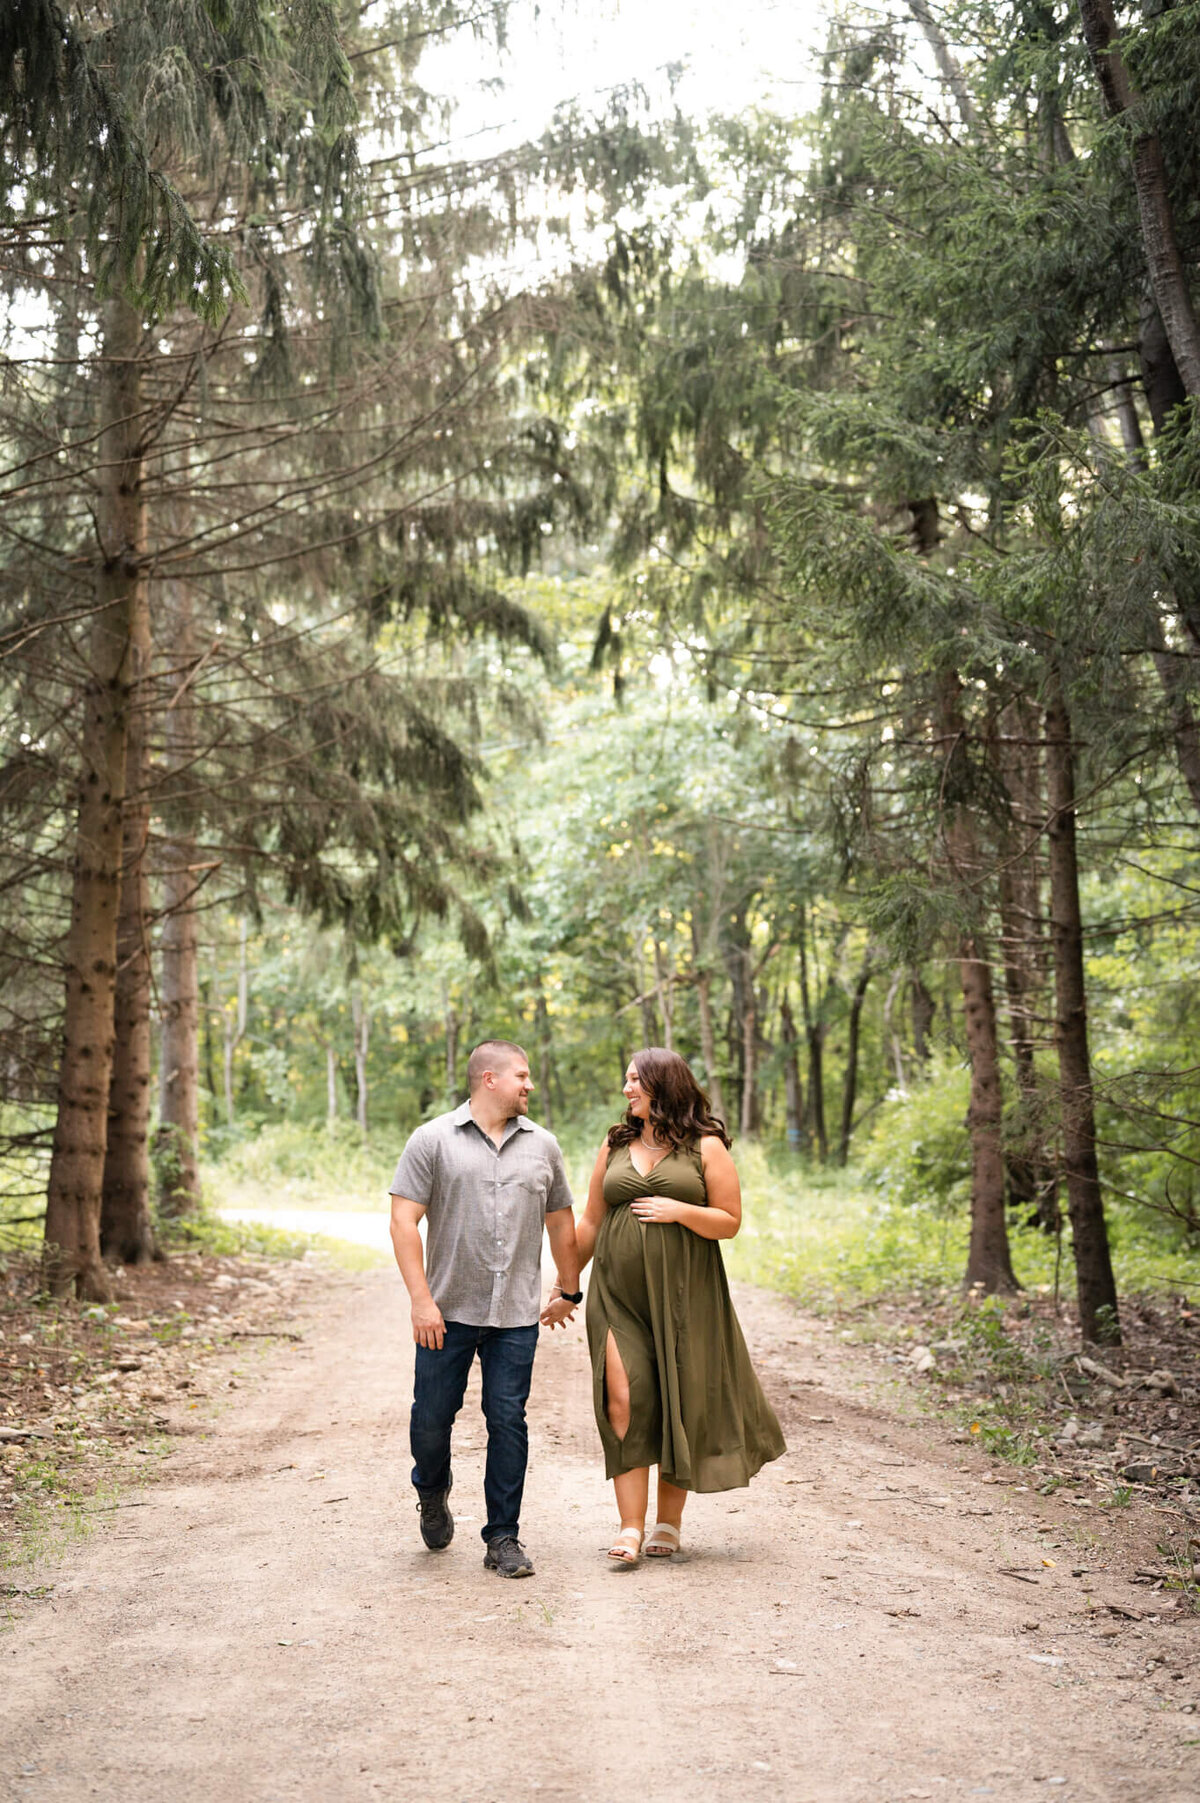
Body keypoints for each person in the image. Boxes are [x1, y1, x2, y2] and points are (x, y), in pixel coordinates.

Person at [561, 1047, 785, 1566]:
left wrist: (680, 1210)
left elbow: (729, 1220)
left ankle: (668, 1522)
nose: (626, 1090)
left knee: (676, 1399)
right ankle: (630, 1527)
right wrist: (566, 1286)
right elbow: (591, 1222)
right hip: (617, 1295)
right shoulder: (615, 1144)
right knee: (623, 1396)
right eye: (625, 1080)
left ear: (664, 1084)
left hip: (688, 1296)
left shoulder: (704, 1146)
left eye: (635, 1079)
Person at [389, 1039, 580, 1579]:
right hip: (445, 1313)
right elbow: (404, 1222)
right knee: (430, 1420)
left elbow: (561, 1222)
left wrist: (569, 1287)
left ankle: (503, 1537)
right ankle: (431, 1489)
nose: (530, 1085)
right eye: (521, 1075)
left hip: (516, 1315)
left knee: (508, 1421)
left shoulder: (543, 1146)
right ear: (489, 1079)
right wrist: (421, 1300)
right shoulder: (432, 1140)